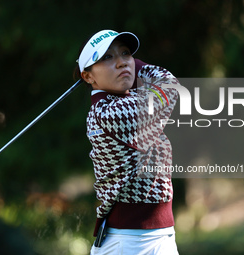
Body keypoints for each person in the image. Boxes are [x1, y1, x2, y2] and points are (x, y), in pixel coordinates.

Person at [74, 29, 180, 255]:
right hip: (130, 242)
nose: (122, 62)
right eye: (107, 57)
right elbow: (169, 85)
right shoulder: (111, 113)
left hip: (153, 237)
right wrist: (134, 66)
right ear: (88, 76)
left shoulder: (124, 99)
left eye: (125, 53)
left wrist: (126, 66)